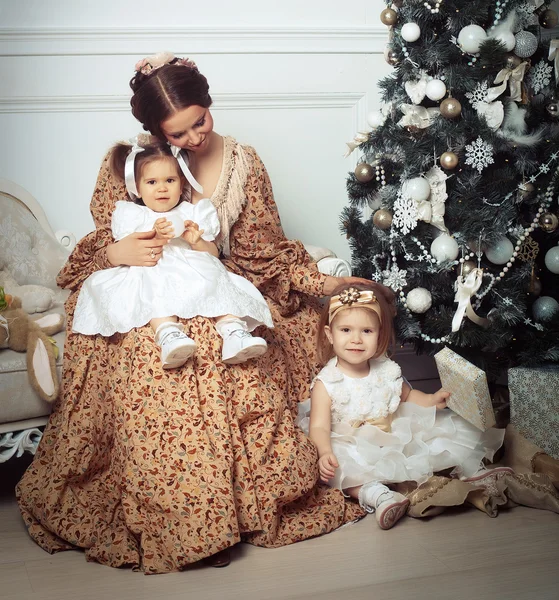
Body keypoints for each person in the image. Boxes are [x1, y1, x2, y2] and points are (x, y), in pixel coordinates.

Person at [16, 51, 372, 574]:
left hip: (212, 283)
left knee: (234, 353)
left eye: (199, 122)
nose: (193, 139)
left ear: (208, 103)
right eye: (177, 134)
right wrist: (116, 254)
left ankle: (236, 510)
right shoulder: (131, 164)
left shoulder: (243, 162)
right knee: (152, 361)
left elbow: (259, 251)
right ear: (156, 131)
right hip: (145, 291)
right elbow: (102, 237)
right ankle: (184, 520)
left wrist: (323, 282)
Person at [299, 282, 509, 530]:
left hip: (393, 432)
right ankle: (376, 495)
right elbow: (320, 427)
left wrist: (432, 400)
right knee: (342, 469)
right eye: (346, 329)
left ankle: (468, 470)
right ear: (329, 334)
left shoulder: (385, 369)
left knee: (439, 435)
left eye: (367, 331)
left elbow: (408, 397)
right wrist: (325, 453)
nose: (356, 339)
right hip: (352, 441)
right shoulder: (328, 382)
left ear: (380, 334)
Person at [72, 135, 273, 368]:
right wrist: (156, 233)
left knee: (216, 281)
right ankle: (169, 335)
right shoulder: (134, 215)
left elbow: (213, 254)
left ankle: (234, 333)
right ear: (137, 188)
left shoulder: (193, 213)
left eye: (170, 180)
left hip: (191, 267)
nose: (162, 188)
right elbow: (132, 245)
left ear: (181, 184)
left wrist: (197, 241)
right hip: (153, 266)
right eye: (152, 182)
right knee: (152, 289)